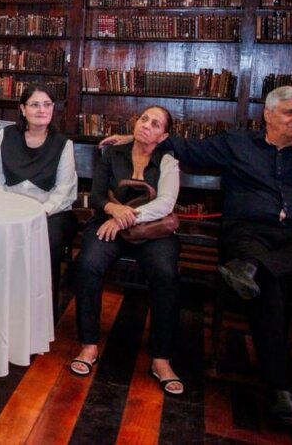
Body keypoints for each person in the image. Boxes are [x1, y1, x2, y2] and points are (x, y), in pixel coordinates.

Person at [102, 86, 292, 426]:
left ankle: (255, 269)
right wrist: (133, 137)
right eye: (289, 112)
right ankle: (280, 388)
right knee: (267, 286)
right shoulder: (237, 144)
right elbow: (179, 145)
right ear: (268, 115)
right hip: (247, 236)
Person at [73, 105, 183, 395]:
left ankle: (161, 358)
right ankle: (88, 345)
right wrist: (113, 210)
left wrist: (125, 217)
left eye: (155, 124)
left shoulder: (168, 161)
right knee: (87, 264)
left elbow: (165, 204)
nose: (146, 125)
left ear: (164, 136)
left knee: (165, 273)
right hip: (108, 222)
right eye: (144, 119)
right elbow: (97, 195)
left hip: (151, 231)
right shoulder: (113, 153)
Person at [0, 85, 77, 314]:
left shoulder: (63, 144)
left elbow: (63, 191)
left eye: (47, 104)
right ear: (23, 109)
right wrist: (7, 208)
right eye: (34, 105)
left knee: (46, 241)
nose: (42, 110)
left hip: (50, 212)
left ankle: (41, 309)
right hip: (7, 207)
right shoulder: (6, 136)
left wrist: (39, 213)